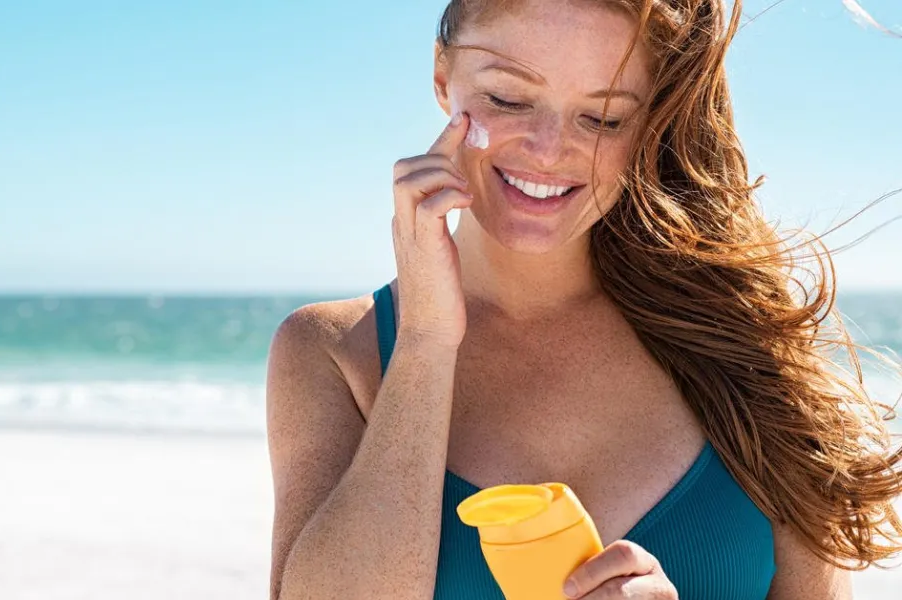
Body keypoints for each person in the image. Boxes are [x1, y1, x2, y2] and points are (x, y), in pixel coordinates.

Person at [264, 0, 902, 598]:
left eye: (602, 118)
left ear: (649, 120)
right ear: (442, 77)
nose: (548, 151)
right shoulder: (333, 353)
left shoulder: (751, 342)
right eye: (507, 99)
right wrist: (425, 340)